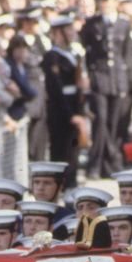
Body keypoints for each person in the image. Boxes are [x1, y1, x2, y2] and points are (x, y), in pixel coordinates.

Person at [82, 0, 132, 178]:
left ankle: (110, 162)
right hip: (99, 76)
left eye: (108, 0)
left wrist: (127, 80)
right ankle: (96, 163)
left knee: (114, 122)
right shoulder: (92, 24)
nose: (104, 4)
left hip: (117, 78)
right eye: (102, 1)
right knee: (101, 120)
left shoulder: (124, 24)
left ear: (115, 3)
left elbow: (127, 53)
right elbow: (86, 52)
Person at [43, 17, 87, 190]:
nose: (71, 33)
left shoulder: (73, 54)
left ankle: (72, 183)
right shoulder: (51, 57)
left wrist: (81, 112)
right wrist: (71, 115)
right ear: (57, 33)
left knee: (73, 151)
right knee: (61, 151)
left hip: (74, 107)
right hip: (61, 111)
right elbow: (55, 89)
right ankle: (61, 187)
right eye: (67, 30)